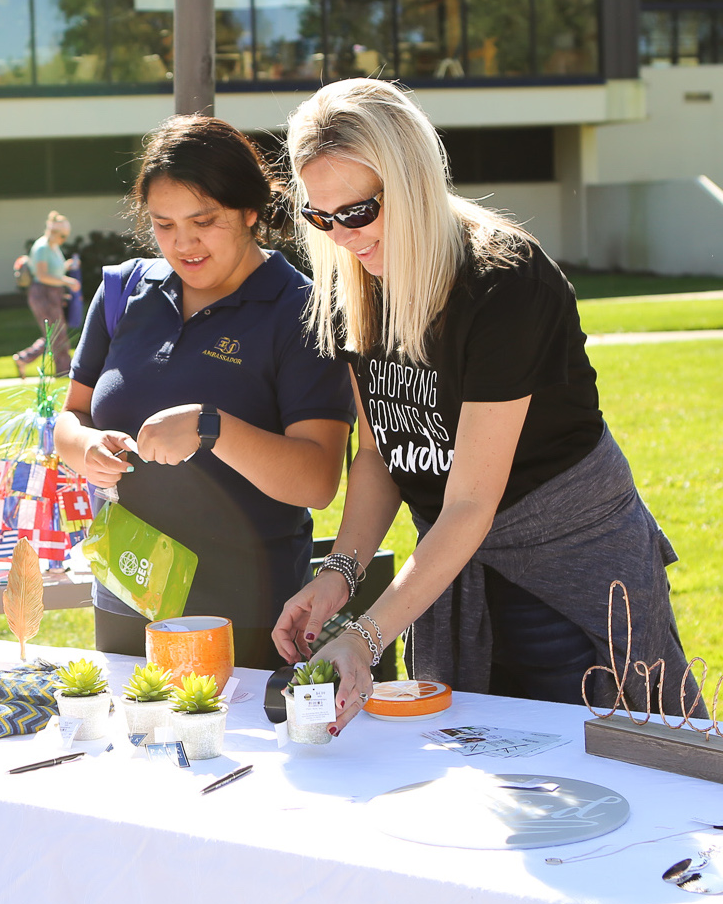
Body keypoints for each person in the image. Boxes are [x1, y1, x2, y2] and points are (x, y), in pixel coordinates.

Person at [272, 78, 691, 730]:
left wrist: (365, 635)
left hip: (565, 571)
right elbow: (382, 454)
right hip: (449, 569)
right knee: (470, 761)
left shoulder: (503, 281)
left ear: (412, 181)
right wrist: (340, 574)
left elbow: (471, 501)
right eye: (319, 217)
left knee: (594, 765)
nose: (343, 238)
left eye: (356, 212)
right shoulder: (353, 286)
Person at [54, 116, 354, 664]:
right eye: (163, 224)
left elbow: (317, 481)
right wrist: (85, 448)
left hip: (246, 609)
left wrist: (210, 427)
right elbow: (71, 416)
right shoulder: (122, 290)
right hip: (125, 593)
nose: (183, 243)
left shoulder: (302, 311)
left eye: (204, 221)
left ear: (250, 211)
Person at [12, 210, 79, 378]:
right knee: (57, 334)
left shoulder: (53, 247)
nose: (63, 239)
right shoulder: (42, 247)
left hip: (54, 294)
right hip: (43, 294)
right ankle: (65, 372)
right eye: (62, 236)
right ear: (53, 231)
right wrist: (67, 281)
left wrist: (67, 266)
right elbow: (42, 275)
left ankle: (23, 358)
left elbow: (54, 270)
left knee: (54, 334)